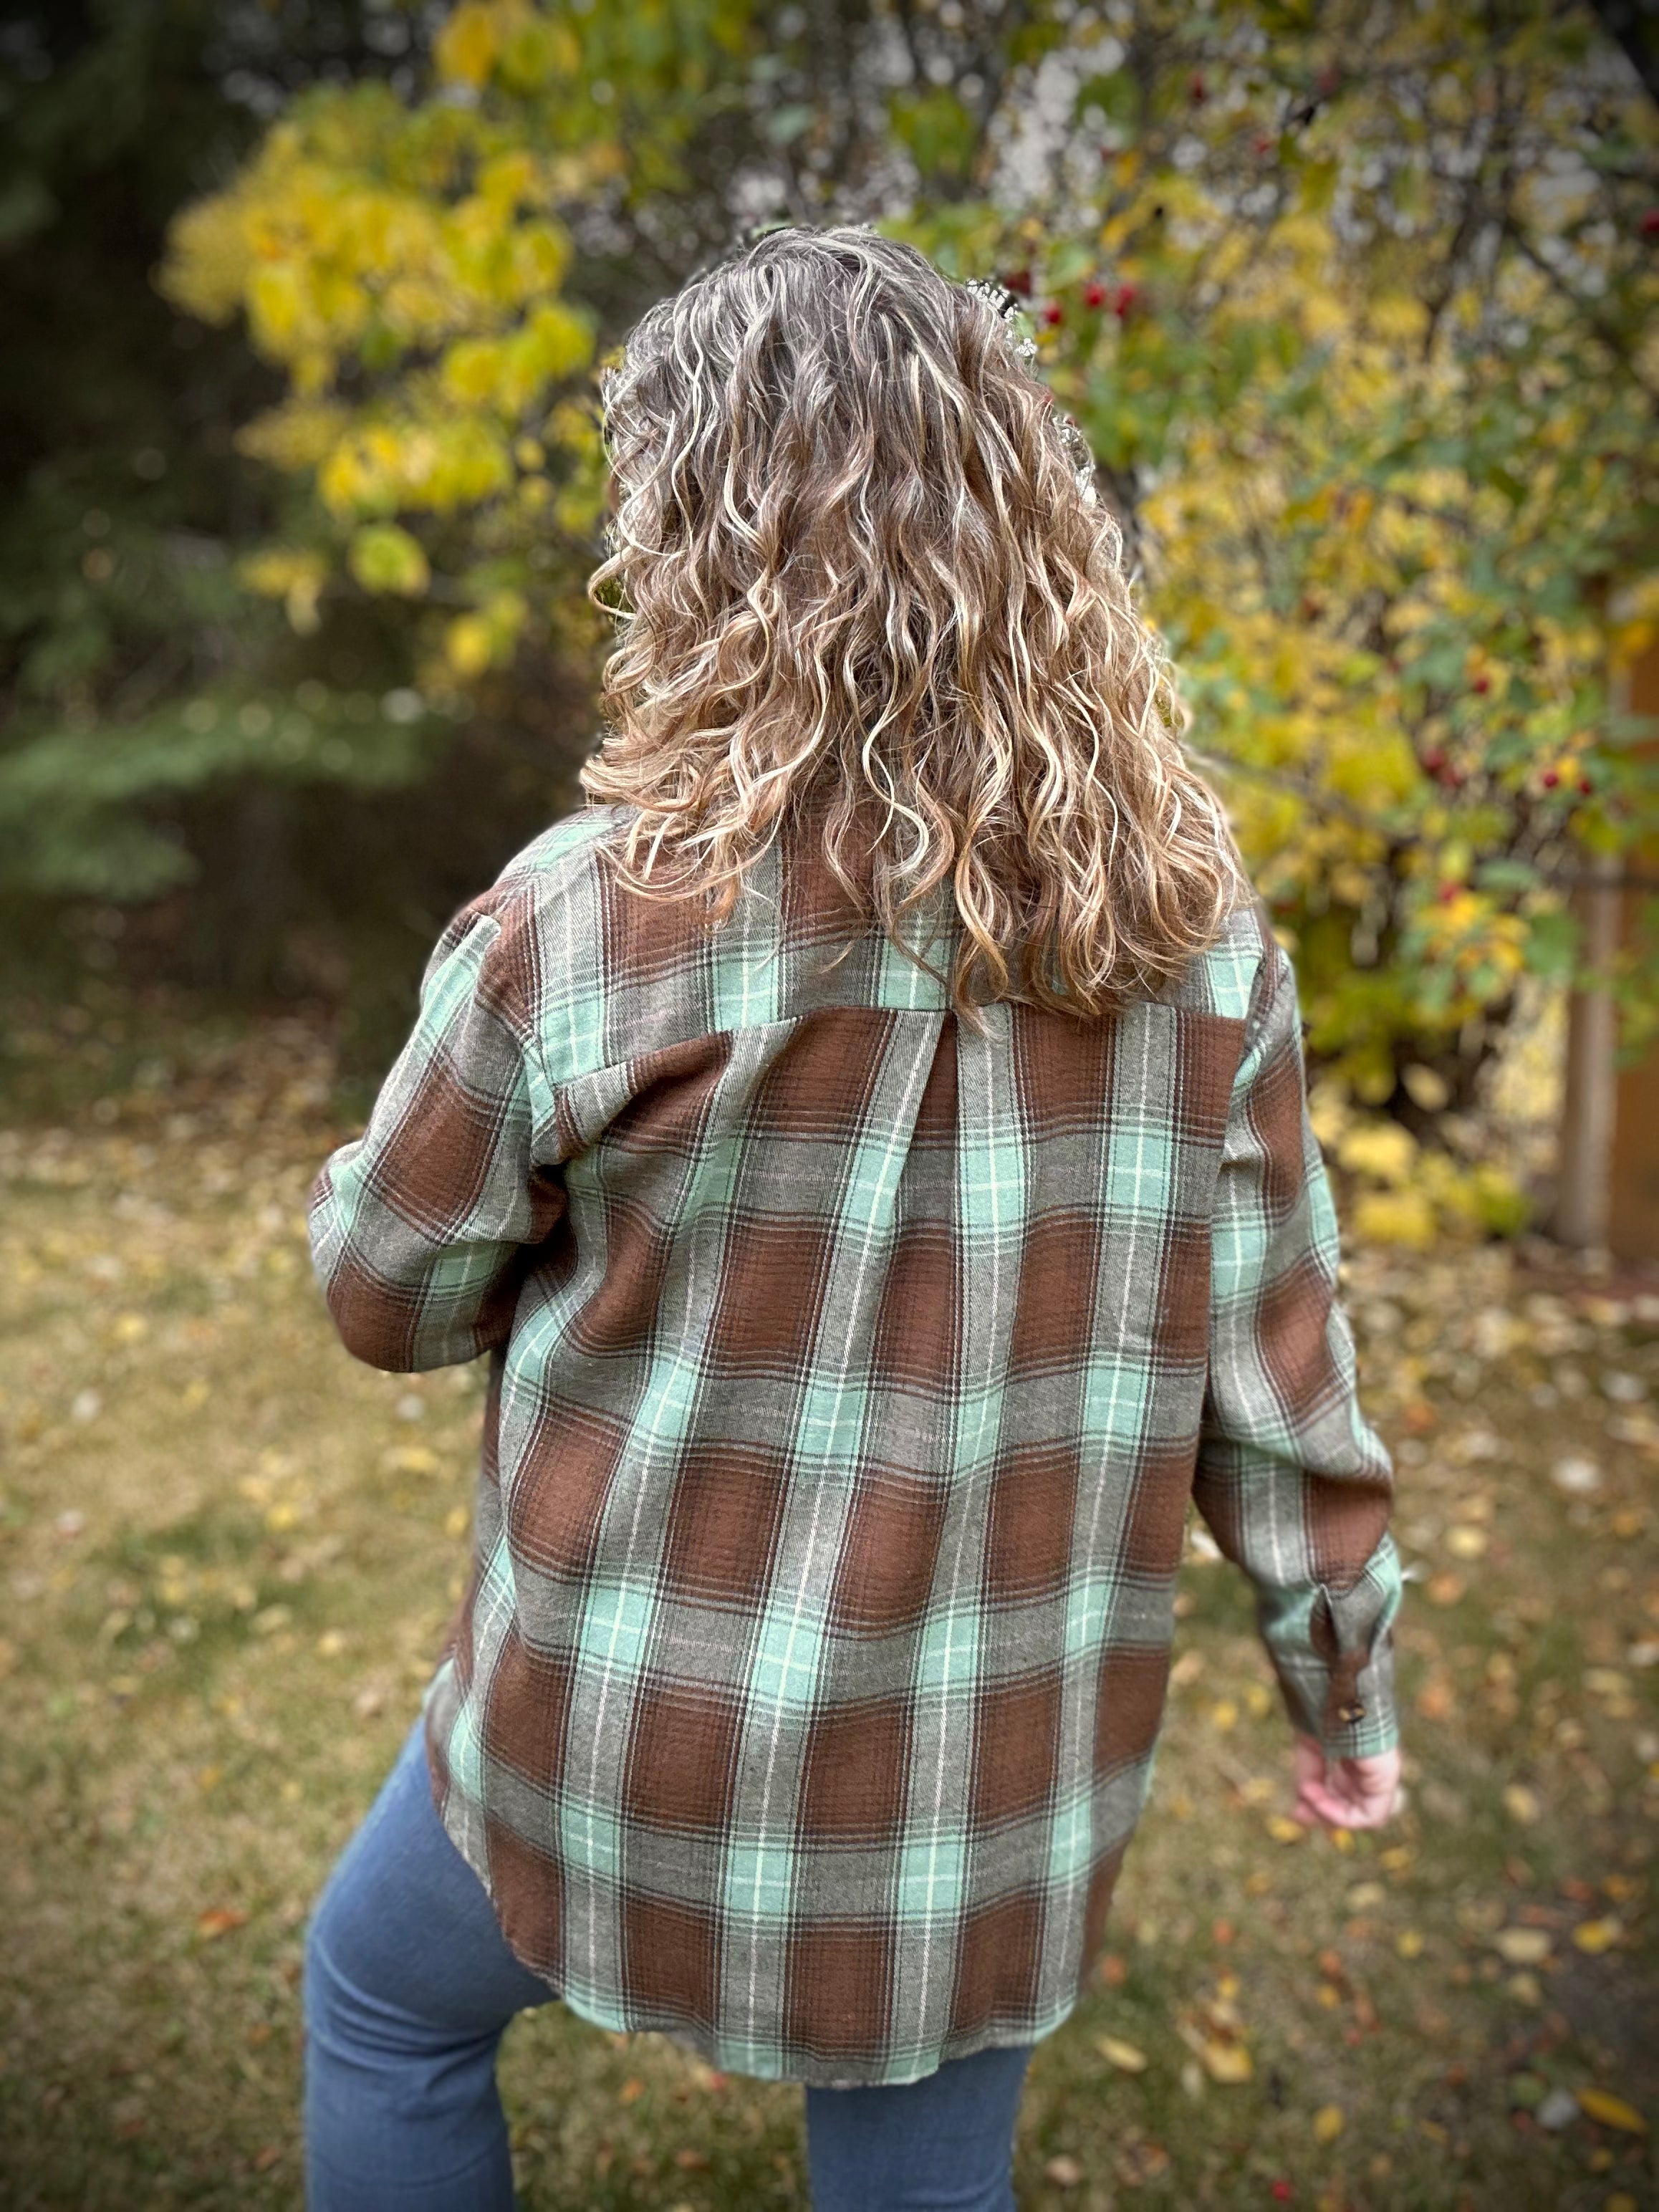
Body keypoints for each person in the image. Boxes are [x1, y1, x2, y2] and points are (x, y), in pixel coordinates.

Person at [299, 225, 1404, 2212]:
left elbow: (389, 1291)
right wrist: (1340, 1687)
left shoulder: (585, 915)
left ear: (697, 548)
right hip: (969, 1801)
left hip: (616, 1742)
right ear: (1031, 527)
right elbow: (1283, 1385)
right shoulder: (1201, 942)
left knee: (383, 2009)